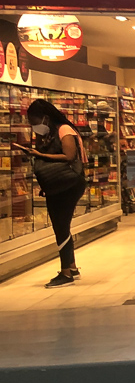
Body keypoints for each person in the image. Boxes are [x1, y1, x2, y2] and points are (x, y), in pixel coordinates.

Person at [14, 98, 88, 288]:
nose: (33, 126)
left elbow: (69, 156)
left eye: (34, 121)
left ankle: (65, 273)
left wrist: (40, 155)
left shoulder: (64, 130)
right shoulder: (49, 133)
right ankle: (71, 267)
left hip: (68, 184)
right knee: (62, 225)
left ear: (45, 118)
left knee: (60, 226)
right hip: (58, 184)